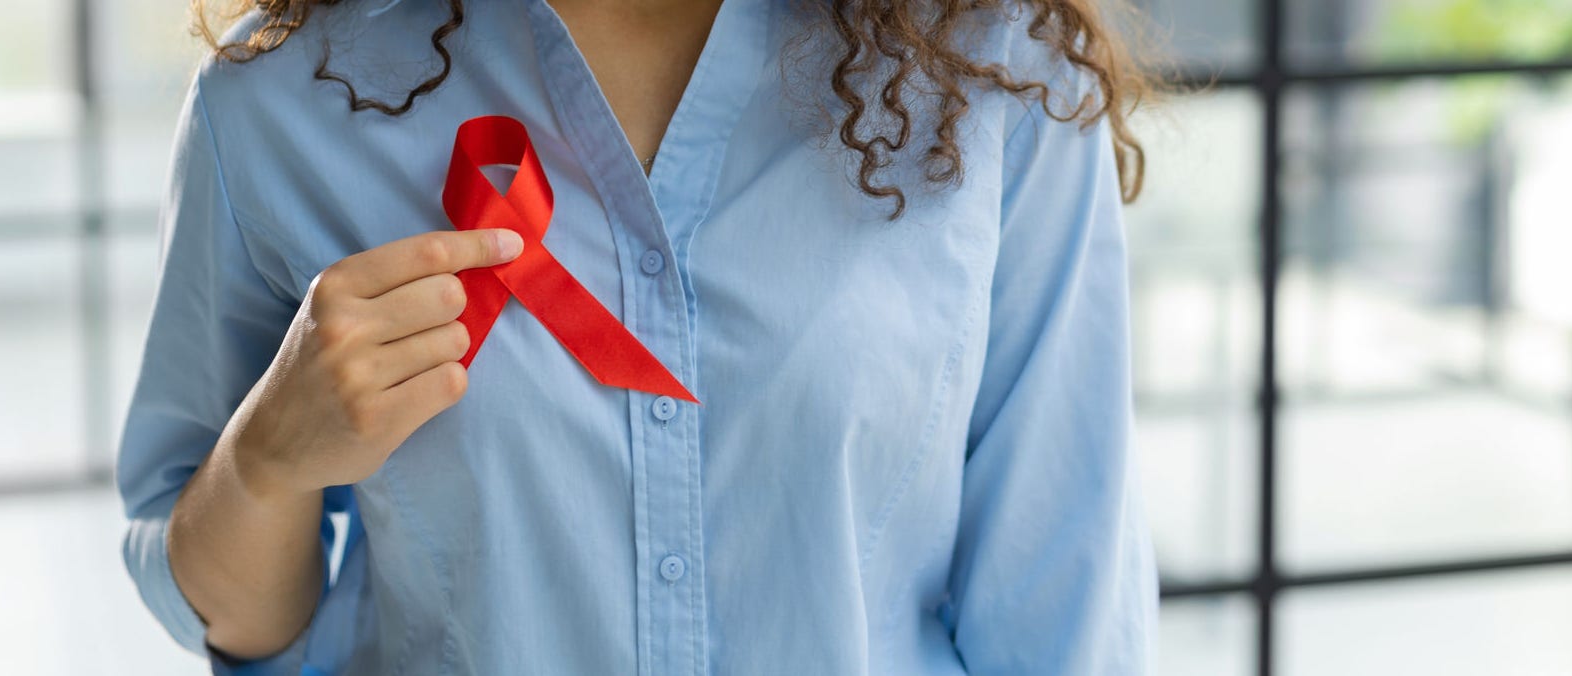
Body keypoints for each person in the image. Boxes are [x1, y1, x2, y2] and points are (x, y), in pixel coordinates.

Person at [117, 0, 1159, 672]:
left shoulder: (996, 75)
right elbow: (226, 611)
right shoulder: (281, 104)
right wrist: (266, 463)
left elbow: (1063, 608)